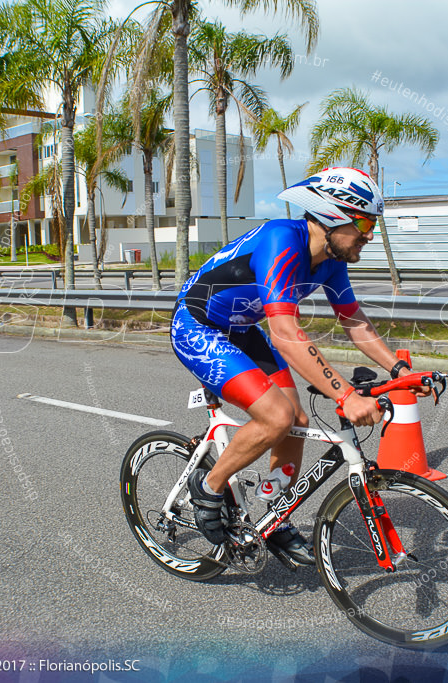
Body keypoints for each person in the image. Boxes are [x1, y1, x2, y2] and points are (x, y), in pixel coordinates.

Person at [170, 167, 423, 565]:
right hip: (197, 325)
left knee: (297, 422)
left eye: (373, 223)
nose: (370, 234)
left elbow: (354, 321)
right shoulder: (282, 240)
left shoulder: (332, 260)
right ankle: (210, 485)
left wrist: (400, 371)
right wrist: (345, 394)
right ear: (333, 216)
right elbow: (286, 333)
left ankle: (275, 514)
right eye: (364, 222)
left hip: (240, 329)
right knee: (276, 416)